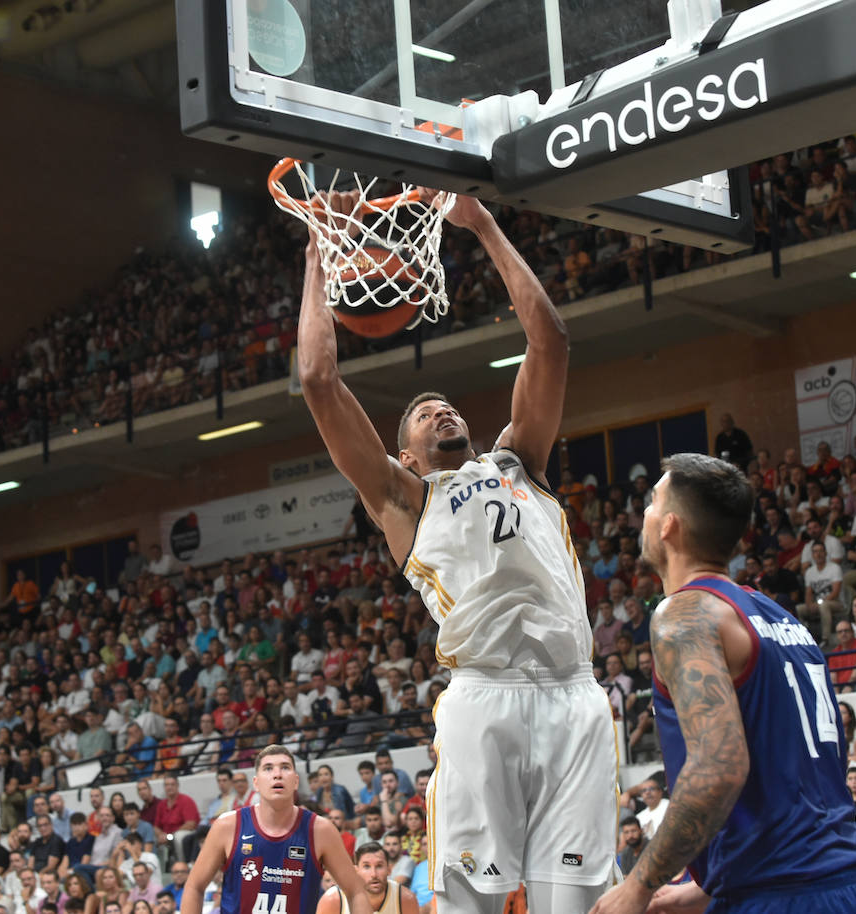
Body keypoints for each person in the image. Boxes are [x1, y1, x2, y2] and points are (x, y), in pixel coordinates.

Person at [297, 192, 615, 913]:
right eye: (421, 411)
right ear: (403, 451)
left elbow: (552, 342)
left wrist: (483, 226)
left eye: (448, 405)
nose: (441, 408)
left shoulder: (519, 462)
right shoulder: (404, 499)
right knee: (470, 905)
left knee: (575, 905)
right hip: (485, 699)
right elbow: (319, 381)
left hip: (575, 693)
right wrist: (319, 255)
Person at [591, 454, 856, 914]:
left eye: (651, 502)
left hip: (779, 894)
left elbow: (719, 768)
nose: (643, 513)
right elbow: (795, 769)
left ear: (669, 526)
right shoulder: (779, 616)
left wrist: (639, 885)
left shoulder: (684, 614)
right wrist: (708, 885)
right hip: (848, 880)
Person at [180, 744, 369, 914]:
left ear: (295, 781)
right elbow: (194, 887)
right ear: (256, 783)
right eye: (268, 768)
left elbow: (356, 891)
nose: (277, 774)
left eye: (285, 767)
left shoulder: (321, 830)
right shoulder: (227, 826)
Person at [314, 841, 421, 914]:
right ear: (356, 871)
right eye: (366, 866)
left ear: (389, 870)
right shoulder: (333, 899)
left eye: (379, 866)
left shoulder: (405, 899)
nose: (374, 874)